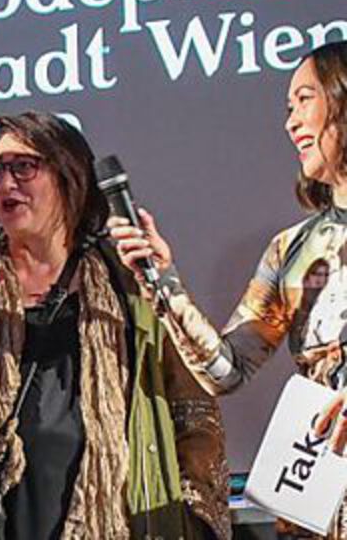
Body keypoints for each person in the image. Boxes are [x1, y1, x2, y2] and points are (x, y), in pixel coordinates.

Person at [0, 111, 230, 539]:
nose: (5, 184)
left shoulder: (131, 285)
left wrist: (197, 520)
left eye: (23, 167)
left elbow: (196, 414)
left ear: (71, 177)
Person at [109, 40, 347, 538]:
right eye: (288, 108)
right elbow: (227, 369)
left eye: (304, 100)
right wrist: (165, 282)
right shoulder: (292, 249)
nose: (291, 122)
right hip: (323, 503)